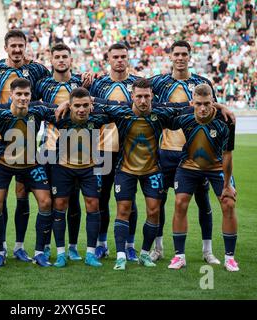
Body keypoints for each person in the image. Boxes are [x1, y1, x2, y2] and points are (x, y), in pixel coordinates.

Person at [149, 40, 234, 264]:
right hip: (167, 150)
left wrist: (222, 106)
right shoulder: (158, 82)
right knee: (160, 200)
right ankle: (158, 248)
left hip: (199, 153)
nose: (180, 58)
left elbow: (211, 107)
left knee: (203, 201)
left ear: (189, 56)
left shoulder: (202, 82)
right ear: (170, 56)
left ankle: (207, 251)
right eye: (176, 53)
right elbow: (140, 94)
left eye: (184, 54)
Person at [94, 78, 193, 271]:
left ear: (152, 96)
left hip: (152, 171)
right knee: (123, 210)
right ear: (132, 96)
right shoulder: (122, 113)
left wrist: (219, 107)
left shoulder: (159, 113)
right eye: (138, 96)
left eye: (146, 96)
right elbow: (99, 104)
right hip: (125, 170)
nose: (142, 100)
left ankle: (145, 254)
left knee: (154, 212)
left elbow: (184, 108)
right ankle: (121, 255)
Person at [0, 30, 52, 259]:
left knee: (23, 195)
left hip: (27, 145)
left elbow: (55, 82)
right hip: (1, 144)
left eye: (21, 45)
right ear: (6, 48)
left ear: (26, 46)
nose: (17, 50)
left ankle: (20, 247)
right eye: (13, 46)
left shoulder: (37, 69)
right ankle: (2, 248)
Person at [166, 84, 239, 272]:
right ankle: (179, 256)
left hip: (216, 167)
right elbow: (161, 111)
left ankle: (230, 258)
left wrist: (227, 185)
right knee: (180, 202)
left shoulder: (226, 120)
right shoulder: (183, 115)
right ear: (192, 103)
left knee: (228, 203)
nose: (203, 108)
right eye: (198, 103)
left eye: (207, 103)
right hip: (188, 166)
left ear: (213, 102)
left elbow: (228, 154)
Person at [34, 43, 94, 262]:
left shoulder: (82, 82)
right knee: (50, 201)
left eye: (64, 56)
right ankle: (47, 246)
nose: (61, 60)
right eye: (57, 56)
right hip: (49, 150)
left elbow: (92, 105)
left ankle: (73, 246)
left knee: (75, 201)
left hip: (78, 151)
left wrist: (69, 105)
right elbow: (33, 108)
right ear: (51, 60)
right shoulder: (42, 85)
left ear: (71, 59)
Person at [45, 87, 113, 268]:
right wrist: (64, 104)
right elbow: (37, 108)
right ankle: (61, 254)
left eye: (85, 105)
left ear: (91, 106)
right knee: (59, 206)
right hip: (63, 167)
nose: (81, 109)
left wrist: (95, 100)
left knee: (93, 205)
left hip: (89, 168)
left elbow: (123, 107)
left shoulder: (98, 117)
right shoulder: (60, 117)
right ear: (71, 106)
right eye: (77, 106)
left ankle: (90, 254)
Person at [89, 43, 140, 262]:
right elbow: (89, 108)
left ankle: (129, 245)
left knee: (130, 200)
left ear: (128, 59)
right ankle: (101, 244)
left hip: (129, 150)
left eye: (123, 57)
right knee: (101, 198)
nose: (119, 60)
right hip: (103, 150)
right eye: (115, 57)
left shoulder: (137, 84)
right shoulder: (98, 84)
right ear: (108, 59)